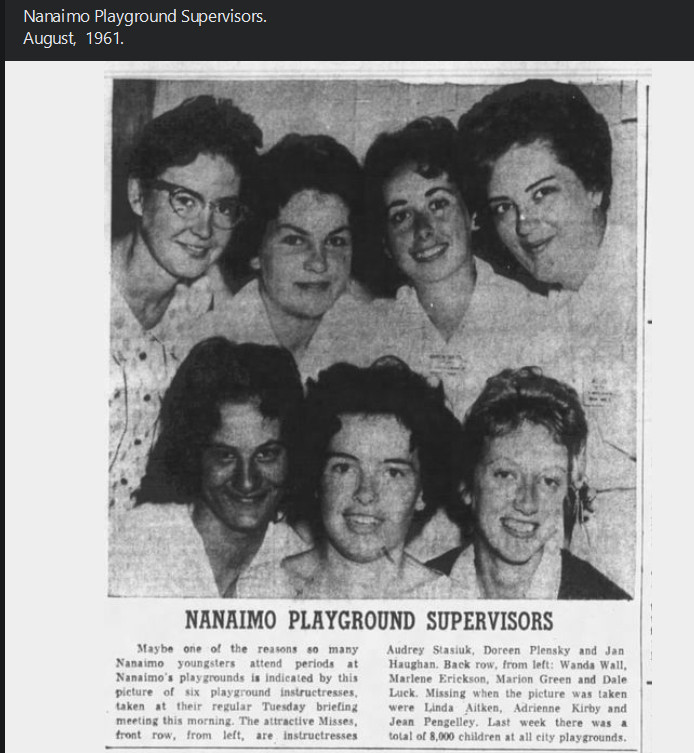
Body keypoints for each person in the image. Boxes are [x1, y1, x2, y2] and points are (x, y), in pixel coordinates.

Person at [458, 80, 637, 576]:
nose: (523, 224)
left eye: (543, 194)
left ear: (596, 186)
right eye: (504, 207)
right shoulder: (546, 318)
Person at [110, 95, 262, 516]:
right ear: (138, 196)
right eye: (185, 200)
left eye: (223, 207)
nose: (205, 228)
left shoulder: (201, 308)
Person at [109, 337, 309, 597]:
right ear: (195, 455)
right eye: (225, 455)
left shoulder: (296, 561)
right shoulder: (144, 540)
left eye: (266, 454)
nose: (246, 481)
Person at [250, 358, 461, 598]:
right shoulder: (260, 590)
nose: (365, 493)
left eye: (392, 473)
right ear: (318, 478)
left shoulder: (447, 600)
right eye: (344, 468)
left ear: (422, 491)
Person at [428, 367, 631, 599]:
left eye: (548, 481)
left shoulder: (607, 604)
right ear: (467, 484)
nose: (527, 503)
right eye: (505, 475)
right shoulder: (416, 590)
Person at [202, 133, 388, 382]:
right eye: (295, 240)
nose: (319, 262)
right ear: (256, 250)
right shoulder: (209, 346)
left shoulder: (376, 344)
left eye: (335, 241)